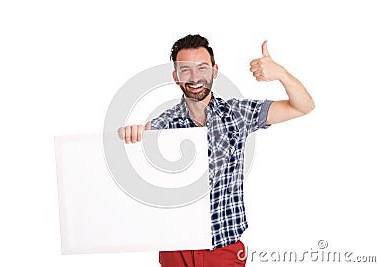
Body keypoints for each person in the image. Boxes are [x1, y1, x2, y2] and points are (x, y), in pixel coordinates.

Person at [118, 34, 314, 267]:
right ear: (175, 77)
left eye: (202, 68)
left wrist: (281, 73)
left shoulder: (237, 114)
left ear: (214, 71)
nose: (194, 78)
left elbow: (303, 106)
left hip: (224, 249)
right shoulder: (163, 125)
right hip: (176, 249)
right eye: (185, 70)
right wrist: (131, 136)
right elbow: (137, 177)